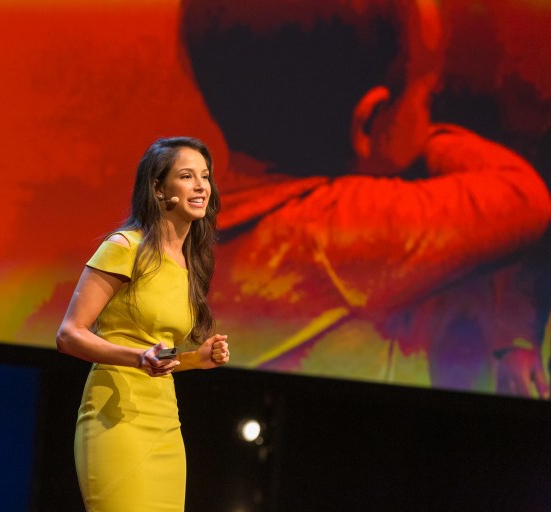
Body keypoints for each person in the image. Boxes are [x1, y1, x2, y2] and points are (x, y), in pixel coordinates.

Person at [180, 0, 551, 395]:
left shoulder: (197, 224)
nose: (430, 116)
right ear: (371, 122)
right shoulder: (337, 229)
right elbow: (522, 195)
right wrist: (407, 139)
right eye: (425, 99)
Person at [55, 136, 230, 511]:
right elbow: (69, 335)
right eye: (186, 176)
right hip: (115, 418)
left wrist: (195, 360)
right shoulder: (125, 246)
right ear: (158, 188)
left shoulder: (189, 263)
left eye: (205, 176)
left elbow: (155, 357)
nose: (201, 186)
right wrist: (138, 359)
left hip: (165, 420)